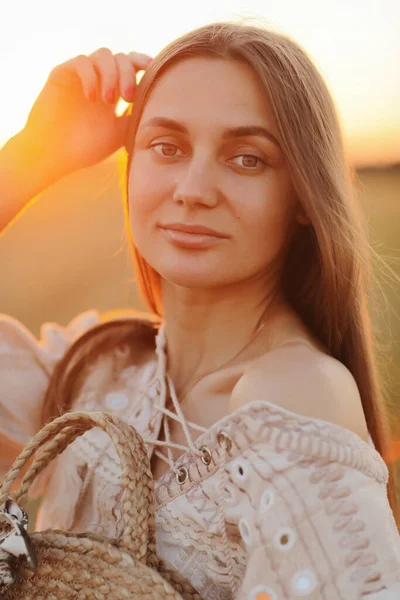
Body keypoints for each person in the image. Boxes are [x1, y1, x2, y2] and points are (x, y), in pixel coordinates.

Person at [1, 20, 399, 599]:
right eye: (167, 147)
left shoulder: (294, 399)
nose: (193, 188)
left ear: (306, 199)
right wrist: (31, 160)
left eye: (247, 159)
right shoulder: (99, 365)